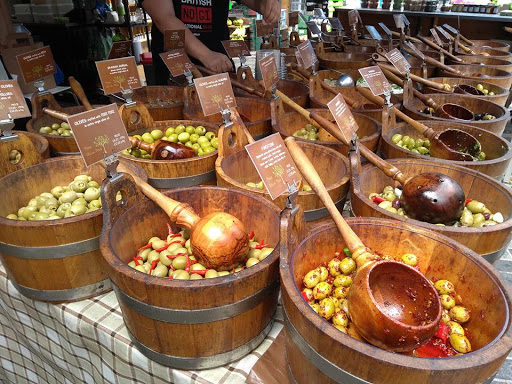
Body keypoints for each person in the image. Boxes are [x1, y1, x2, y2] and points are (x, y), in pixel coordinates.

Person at [140, 0, 280, 85]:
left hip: (218, 67)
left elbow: (256, 2)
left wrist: (267, 6)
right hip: (176, 71)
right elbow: (164, 18)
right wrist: (206, 55)